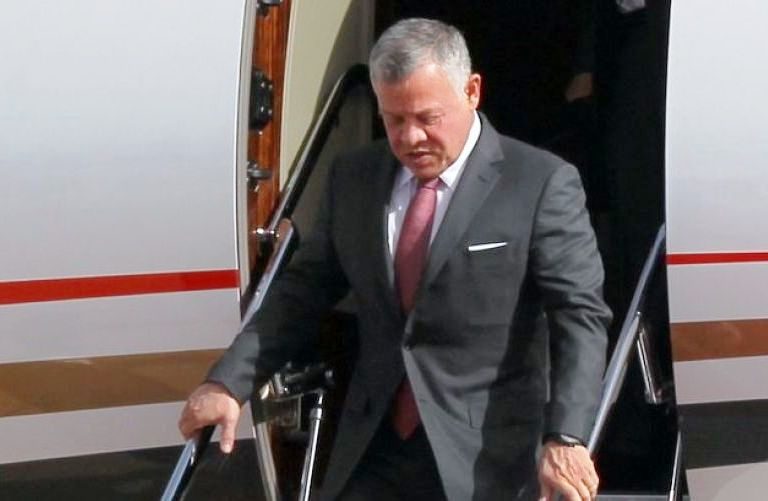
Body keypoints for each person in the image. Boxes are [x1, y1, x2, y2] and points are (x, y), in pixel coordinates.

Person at [179, 18, 610, 501]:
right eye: (394, 119)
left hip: (487, 459)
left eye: (428, 117)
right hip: (374, 448)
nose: (410, 137)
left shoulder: (538, 182)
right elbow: (302, 292)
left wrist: (567, 435)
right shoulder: (355, 178)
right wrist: (229, 382)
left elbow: (580, 316)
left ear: (472, 91)